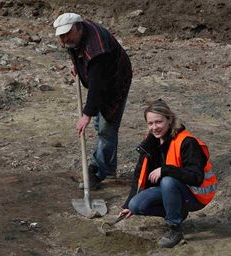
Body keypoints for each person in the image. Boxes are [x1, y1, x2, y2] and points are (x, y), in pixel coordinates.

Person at [119, 99, 217, 248]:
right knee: (136, 205)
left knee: (167, 180)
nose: (154, 127)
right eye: (150, 123)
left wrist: (165, 170)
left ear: (169, 119)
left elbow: (196, 177)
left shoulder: (187, 142)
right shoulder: (150, 142)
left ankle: (174, 229)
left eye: (158, 122)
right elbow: (139, 175)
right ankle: (178, 212)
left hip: (196, 195)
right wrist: (127, 205)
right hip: (173, 190)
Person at [53, 13, 132, 189]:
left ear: (79, 28)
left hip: (115, 81)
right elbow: (75, 50)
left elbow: (97, 86)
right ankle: (109, 167)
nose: (65, 39)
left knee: (106, 127)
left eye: (68, 34)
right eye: (61, 35)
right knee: (102, 126)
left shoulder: (97, 50)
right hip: (102, 77)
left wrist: (87, 114)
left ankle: (98, 171)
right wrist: (78, 65)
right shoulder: (74, 36)